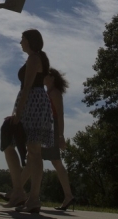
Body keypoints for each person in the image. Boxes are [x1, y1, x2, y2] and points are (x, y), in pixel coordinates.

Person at [2, 29, 52, 213]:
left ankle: (30, 197)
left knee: (33, 152)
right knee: (34, 153)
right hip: (37, 104)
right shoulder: (37, 58)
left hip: (33, 105)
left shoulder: (33, 59)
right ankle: (28, 197)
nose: (20, 42)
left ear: (30, 40)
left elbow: (27, 87)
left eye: (22, 39)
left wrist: (18, 113)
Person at [15, 68, 75, 210]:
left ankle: (18, 192)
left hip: (51, 128)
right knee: (37, 160)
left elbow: (60, 115)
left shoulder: (55, 93)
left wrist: (60, 136)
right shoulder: (47, 92)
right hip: (45, 126)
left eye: (45, 76)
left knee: (42, 160)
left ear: (52, 78)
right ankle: (18, 191)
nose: (42, 77)